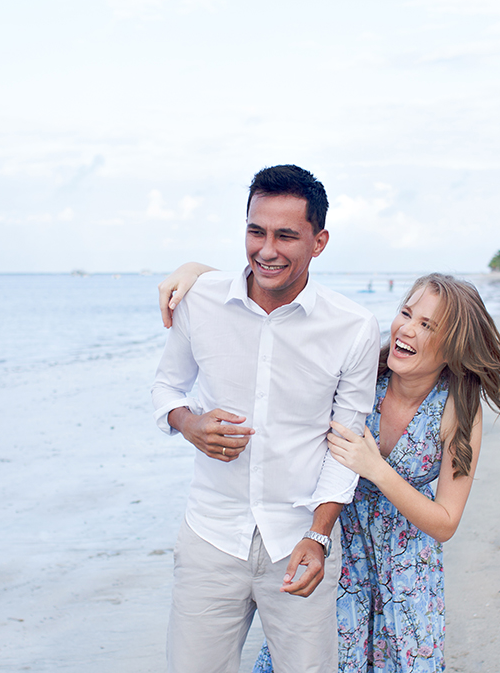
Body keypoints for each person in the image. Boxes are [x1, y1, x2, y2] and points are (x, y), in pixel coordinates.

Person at [161, 269, 500, 672]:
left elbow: (445, 523)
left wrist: (377, 469)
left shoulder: (456, 409)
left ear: (454, 345)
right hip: (335, 548)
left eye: (428, 326)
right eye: (406, 313)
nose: (407, 330)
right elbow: (293, 301)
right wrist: (198, 273)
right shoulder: (365, 369)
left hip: (406, 574)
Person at [152, 165, 381, 673]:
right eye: (256, 231)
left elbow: (347, 445)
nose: (266, 249)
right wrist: (189, 425)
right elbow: (166, 387)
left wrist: (319, 535)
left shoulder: (354, 328)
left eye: (286, 235)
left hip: (300, 541)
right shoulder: (200, 301)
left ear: (318, 242)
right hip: (210, 534)